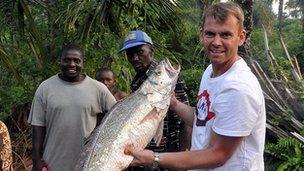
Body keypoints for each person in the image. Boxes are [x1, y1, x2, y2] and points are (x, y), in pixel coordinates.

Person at [125, 2, 266, 171]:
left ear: (241, 37)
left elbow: (217, 155)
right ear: (201, 35)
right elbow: (202, 120)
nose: (216, 42)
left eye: (226, 35)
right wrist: (174, 104)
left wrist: (154, 158)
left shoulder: (239, 88)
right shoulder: (210, 72)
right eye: (210, 34)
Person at [28, 44, 116, 171]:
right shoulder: (45, 88)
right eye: (67, 60)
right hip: (53, 163)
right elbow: (37, 127)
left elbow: (116, 117)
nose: (72, 64)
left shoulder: (98, 89)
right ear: (60, 61)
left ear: (82, 63)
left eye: (76, 61)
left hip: (88, 163)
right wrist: (36, 161)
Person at [120, 30, 192, 171]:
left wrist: (183, 157)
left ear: (151, 51)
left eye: (140, 52)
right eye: (130, 54)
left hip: (168, 154)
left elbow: (185, 121)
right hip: (144, 155)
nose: (135, 58)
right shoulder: (137, 81)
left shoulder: (165, 77)